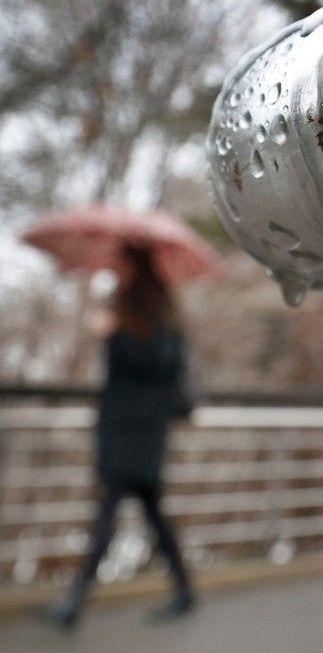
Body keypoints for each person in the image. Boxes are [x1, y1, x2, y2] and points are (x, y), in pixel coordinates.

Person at [46, 245, 195, 630]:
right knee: (152, 514)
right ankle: (184, 589)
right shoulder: (158, 318)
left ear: (135, 268)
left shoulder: (138, 320)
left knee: (109, 514)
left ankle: (75, 602)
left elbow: (147, 367)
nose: (116, 271)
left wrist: (111, 334)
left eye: (121, 264)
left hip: (130, 433)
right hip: (138, 433)